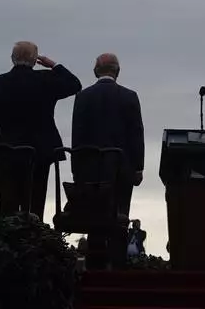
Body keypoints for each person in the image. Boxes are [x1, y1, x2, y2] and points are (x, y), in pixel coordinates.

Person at [0, 40, 82, 219]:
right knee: (35, 206)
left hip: (5, 153)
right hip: (39, 153)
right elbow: (74, 84)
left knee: (5, 210)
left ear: (12, 58)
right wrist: (54, 65)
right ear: (35, 60)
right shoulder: (46, 80)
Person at [71, 52, 145, 266]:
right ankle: (118, 264)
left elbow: (78, 135)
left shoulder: (83, 97)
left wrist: (77, 169)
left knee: (94, 217)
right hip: (122, 168)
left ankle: (95, 263)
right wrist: (138, 167)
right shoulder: (130, 97)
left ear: (96, 71)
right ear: (117, 71)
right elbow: (136, 134)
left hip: (90, 170)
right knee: (121, 215)